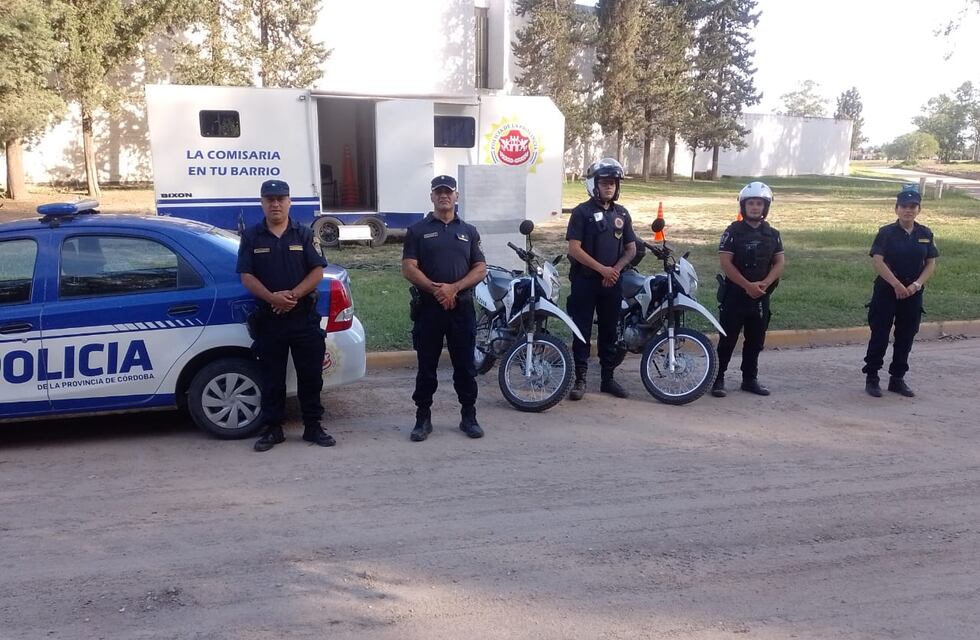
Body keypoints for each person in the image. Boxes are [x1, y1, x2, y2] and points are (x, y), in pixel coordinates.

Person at [236, 179, 335, 452]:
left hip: (303, 317)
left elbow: (317, 271)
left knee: (310, 376)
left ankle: (313, 426)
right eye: (270, 199)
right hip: (270, 319)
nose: (275, 204)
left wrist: (292, 296)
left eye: (281, 199)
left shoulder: (304, 234)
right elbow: (246, 276)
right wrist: (272, 299)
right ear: (262, 203)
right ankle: (273, 429)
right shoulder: (251, 236)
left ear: (289, 202)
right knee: (272, 377)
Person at [401, 175, 487, 442]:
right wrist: (437, 290)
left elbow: (480, 268)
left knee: (465, 366)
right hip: (429, 309)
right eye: (438, 192)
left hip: (461, 308)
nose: (443, 196)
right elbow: (409, 268)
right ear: (431, 196)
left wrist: (454, 288)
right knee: (427, 366)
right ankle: (422, 418)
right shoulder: (417, 230)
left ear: (456, 196)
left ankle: (469, 416)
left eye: (448, 192)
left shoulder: (469, 231)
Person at [565, 157, 637, 401]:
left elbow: (631, 249)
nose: (609, 187)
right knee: (582, 331)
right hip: (585, 281)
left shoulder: (622, 213)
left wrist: (614, 270)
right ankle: (580, 379)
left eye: (613, 183)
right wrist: (602, 270)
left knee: (609, 331)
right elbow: (574, 249)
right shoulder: (581, 212)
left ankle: (608, 379)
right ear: (593, 184)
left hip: (612, 283)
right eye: (604, 182)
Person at [711, 181, 785, 398]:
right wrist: (747, 285)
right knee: (727, 340)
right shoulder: (732, 232)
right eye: (751, 203)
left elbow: (779, 262)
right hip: (735, 295)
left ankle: (750, 379)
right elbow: (726, 263)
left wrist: (765, 284)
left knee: (755, 341)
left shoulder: (773, 234)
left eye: (759, 204)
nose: (755, 207)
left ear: (765, 207)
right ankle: (718, 378)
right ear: (743, 206)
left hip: (761, 296)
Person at [862, 186, 938, 398]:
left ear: (919, 209)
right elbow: (878, 261)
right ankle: (872, 377)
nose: (908, 210)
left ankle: (897, 379)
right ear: (896, 208)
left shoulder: (925, 233)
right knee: (880, 334)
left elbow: (930, 263)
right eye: (904, 206)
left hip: (913, 292)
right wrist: (896, 284)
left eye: (913, 206)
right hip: (887, 290)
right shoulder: (886, 233)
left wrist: (916, 285)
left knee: (906, 335)